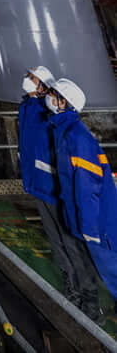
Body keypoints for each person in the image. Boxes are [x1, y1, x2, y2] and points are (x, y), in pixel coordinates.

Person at [18, 66, 101, 316]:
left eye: (32, 78)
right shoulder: (30, 109)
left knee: (73, 245)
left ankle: (90, 300)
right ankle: (72, 290)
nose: (27, 80)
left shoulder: (61, 125)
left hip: (59, 194)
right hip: (41, 189)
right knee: (58, 244)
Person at [48, 77, 117, 316]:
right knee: (96, 264)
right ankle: (96, 307)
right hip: (82, 215)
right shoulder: (65, 131)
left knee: (109, 265)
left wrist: (89, 227)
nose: (49, 97)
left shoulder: (77, 138)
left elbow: (87, 187)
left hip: (96, 219)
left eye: (54, 95)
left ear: (64, 102)